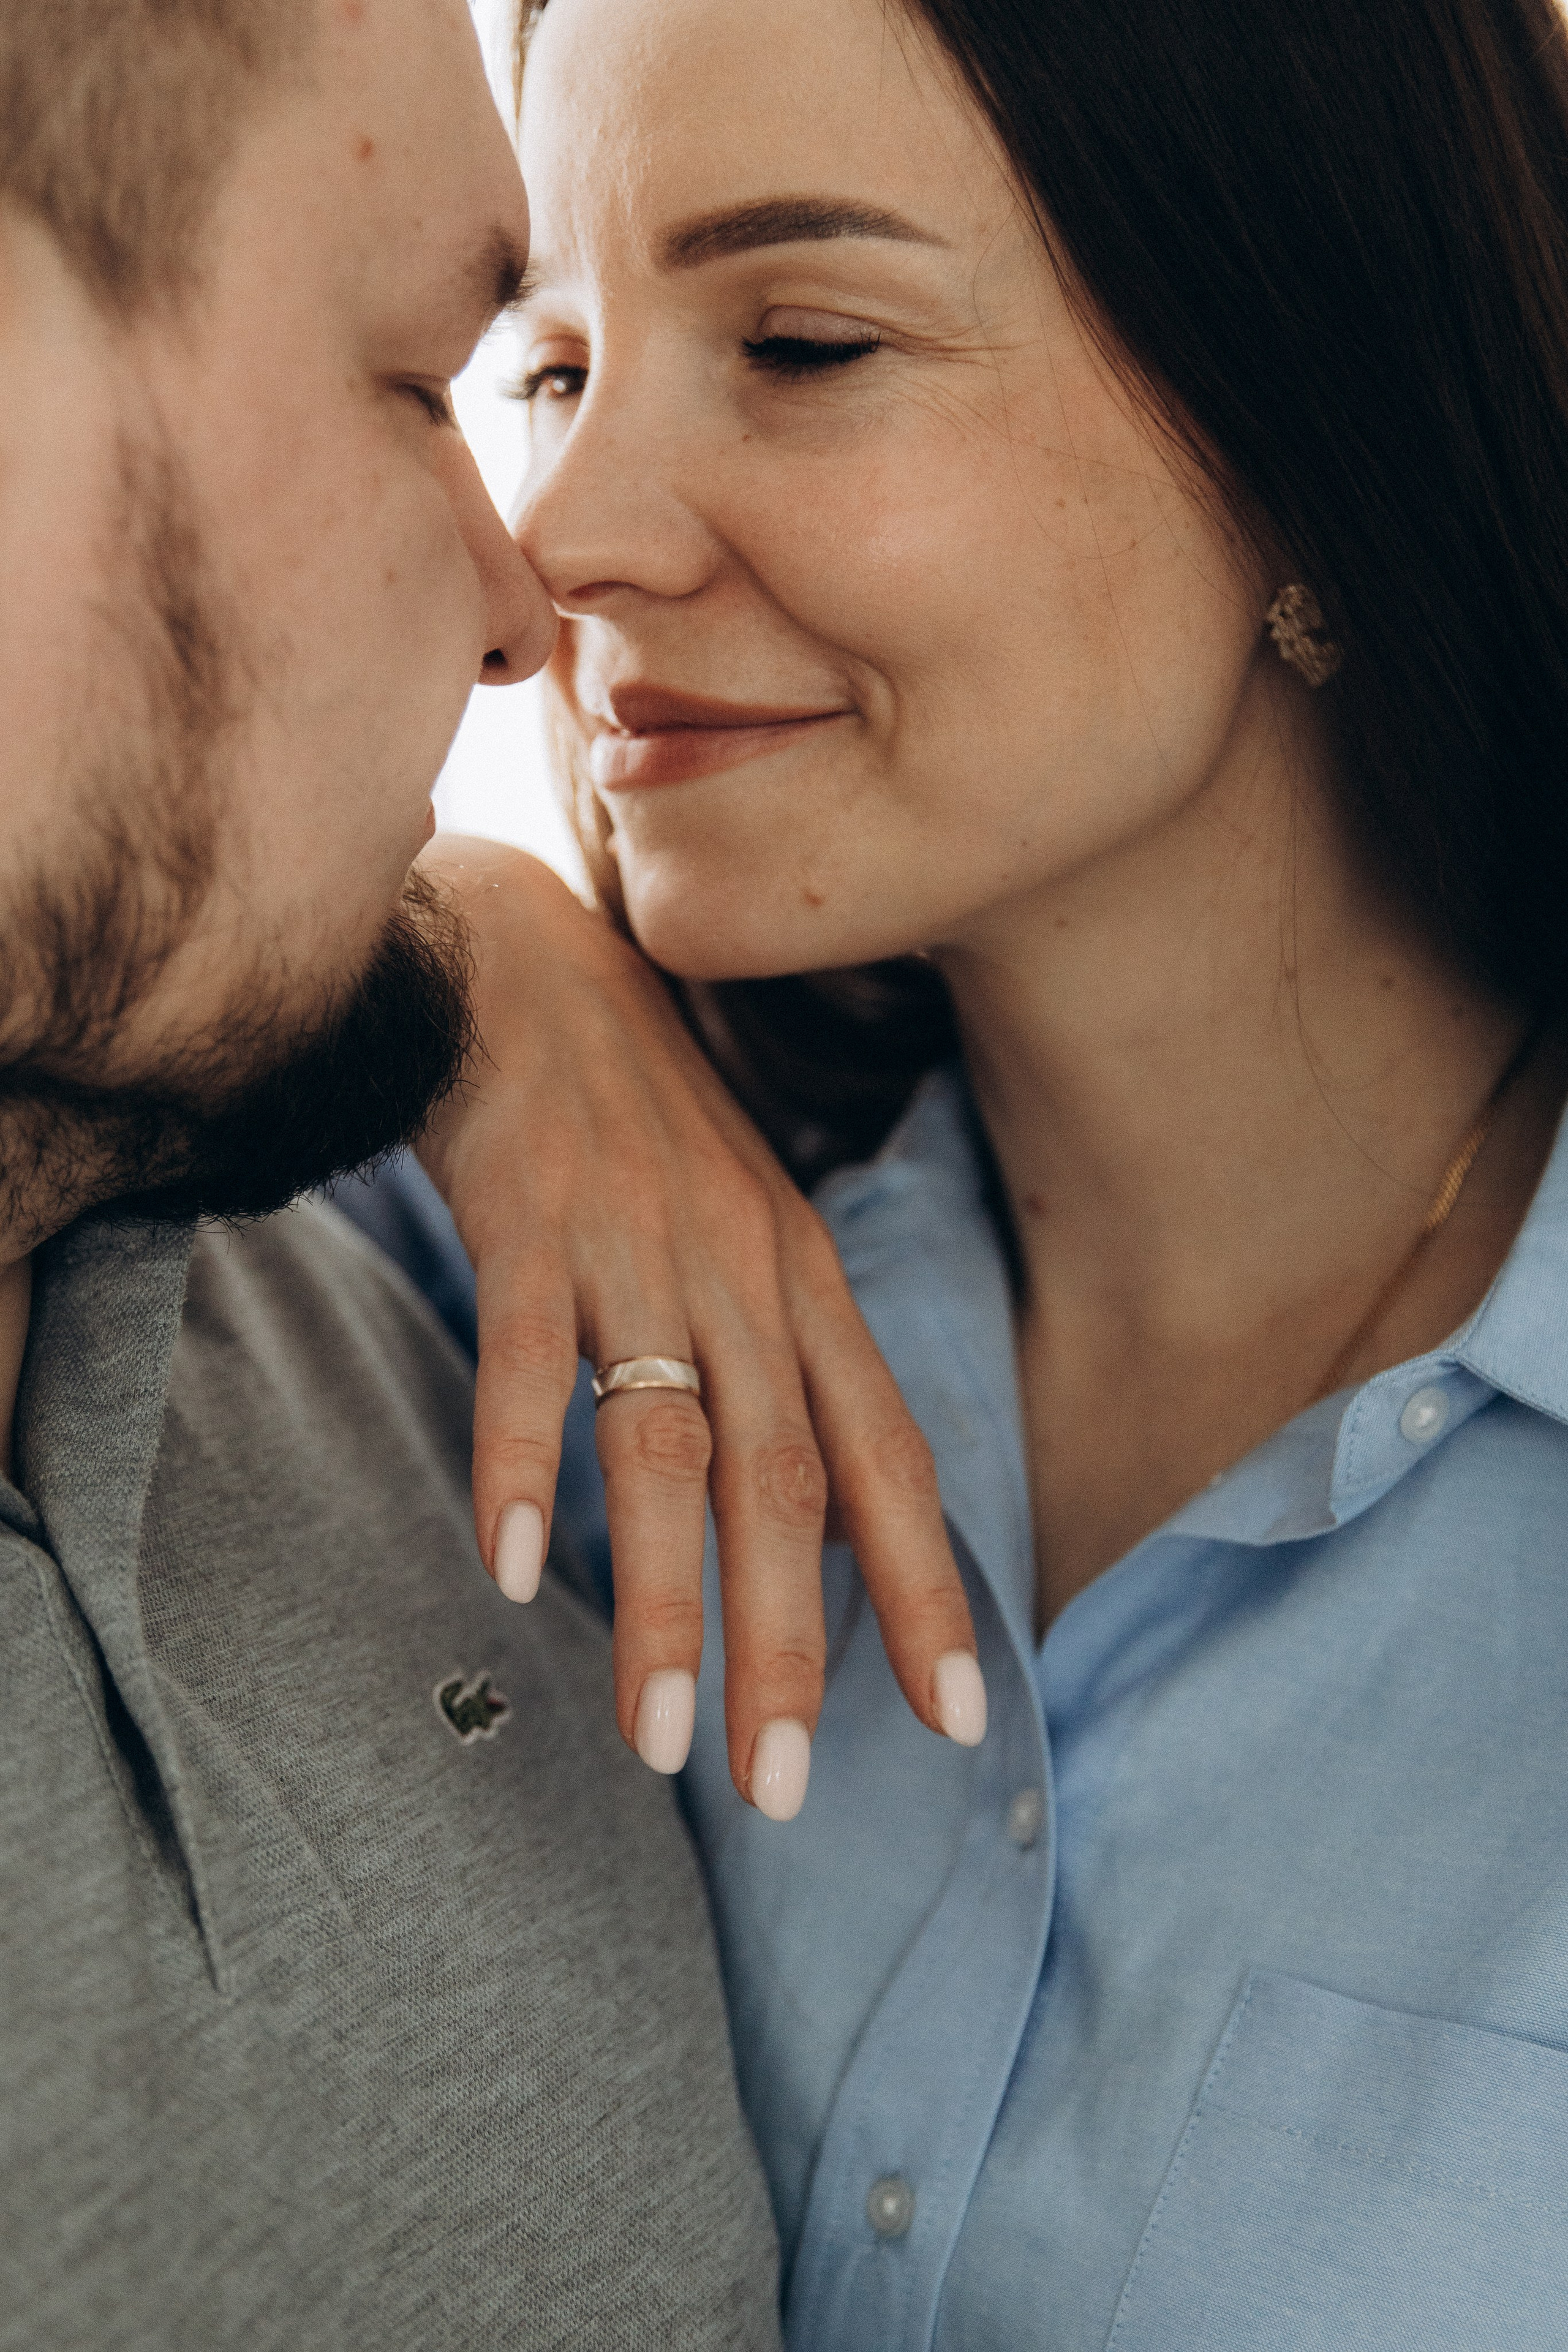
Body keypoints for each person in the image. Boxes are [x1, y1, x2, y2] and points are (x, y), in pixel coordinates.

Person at [353, 0, 1568, 2340]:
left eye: (800, 341)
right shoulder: (474, 1281)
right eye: (553, 364)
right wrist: (463, 935)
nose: (562, 536)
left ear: (1315, 421)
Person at [0, 0, 987, 2339]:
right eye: (434, 379)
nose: (531, 599)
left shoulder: (376, 1281)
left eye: (812, 339)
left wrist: (457, 948)